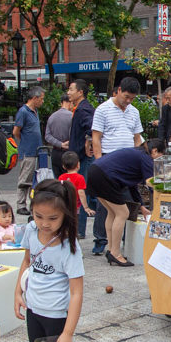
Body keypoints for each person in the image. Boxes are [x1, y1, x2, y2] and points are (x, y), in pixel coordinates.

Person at [14, 179, 84, 342]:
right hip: (32, 310)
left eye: (52, 218)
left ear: (65, 214)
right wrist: (17, 293)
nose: (44, 223)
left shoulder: (69, 246)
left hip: (56, 315)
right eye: (38, 216)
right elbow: (27, 261)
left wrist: (67, 333)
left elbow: (77, 293)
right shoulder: (31, 230)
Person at [88, 140, 165, 266]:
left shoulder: (136, 153)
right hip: (105, 176)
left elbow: (132, 186)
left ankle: (110, 249)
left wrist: (141, 206)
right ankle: (116, 254)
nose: (158, 160)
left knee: (112, 212)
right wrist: (162, 194)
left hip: (95, 171)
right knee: (123, 213)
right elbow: (151, 182)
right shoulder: (145, 157)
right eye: (160, 155)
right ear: (155, 150)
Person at [90, 77, 144, 255]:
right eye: (126, 97)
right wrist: (99, 161)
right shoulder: (103, 110)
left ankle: (122, 241)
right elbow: (96, 138)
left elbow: (137, 138)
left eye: (132, 99)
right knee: (106, 206)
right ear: (118, 90)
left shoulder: (133, 112)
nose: (128, 102)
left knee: (126, 202)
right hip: (108, 161)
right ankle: (101, 240)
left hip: (127, 163)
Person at [67, 79, 96, 240]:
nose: (69, 92)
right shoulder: (81, 108)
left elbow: (91, 128)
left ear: (80, 92)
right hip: (78, 156)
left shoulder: (83, 109)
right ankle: (78, 229)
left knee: (79, 192)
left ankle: (79, 230)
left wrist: (87, 141)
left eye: (71, 89)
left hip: (81, 158)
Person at [14, 87, 46, 215]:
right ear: (35, 98)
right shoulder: (23, 112)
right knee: (25, 178)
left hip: (36, 150)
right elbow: (16, 131)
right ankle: (20, 204)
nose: (42, 102)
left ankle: (32, 202)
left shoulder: (34, 111)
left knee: (35, 178)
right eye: (42, 99)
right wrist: (25, 141)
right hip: (28, 151)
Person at [58, 151, 94, 224]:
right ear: (78, 164)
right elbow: (81, 193)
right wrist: (86, 207)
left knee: (64, 221)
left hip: (64, 204)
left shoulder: (61, 177)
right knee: (74, 222)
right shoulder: (80, 178)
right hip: (75, 205)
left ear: (63, 166)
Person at [42, 92, 72, 183]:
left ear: (61, 103)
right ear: (70, 103)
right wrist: (66, 144)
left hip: (55, 153)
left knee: (58, 181)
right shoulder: (72, 116)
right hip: (68, 153)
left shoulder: (52, 117)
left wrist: (60, 144)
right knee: (69, 181)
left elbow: (47, 136)